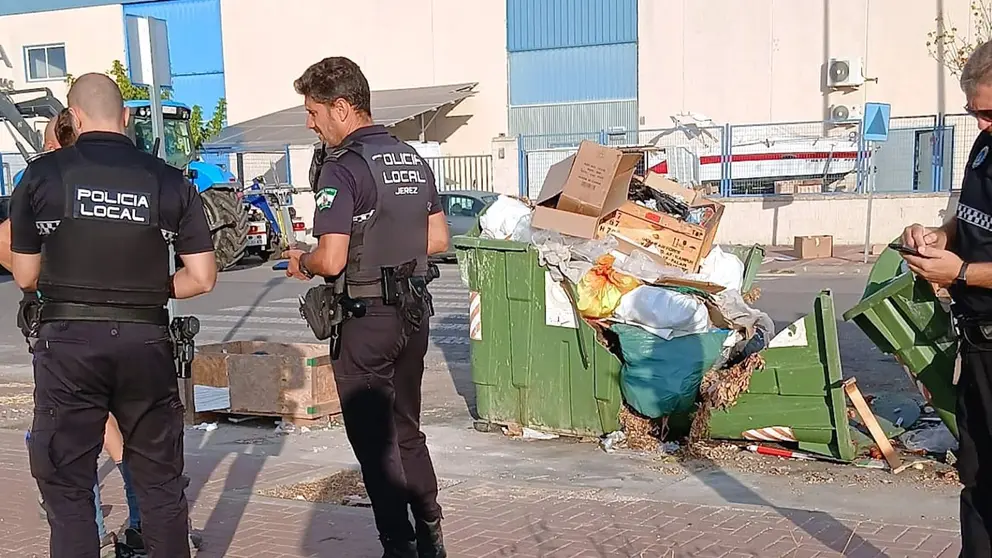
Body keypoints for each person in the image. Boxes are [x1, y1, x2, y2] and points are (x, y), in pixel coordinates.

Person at [8, 72, 217, 558]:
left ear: (74, 118)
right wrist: (148, 290)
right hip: (146, 340)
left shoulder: (41, 176)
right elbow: (203, 277)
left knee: (69, 486)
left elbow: (24, 275)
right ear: (125, 118)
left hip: (70, 344)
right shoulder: (169, 179)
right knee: (162, 487)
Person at [283, 56, 451, 558]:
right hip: (413, 314)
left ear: (340, 107)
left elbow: (332, 259)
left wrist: (303, 262)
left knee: (375, 446)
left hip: (365, 319)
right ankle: (431, 534)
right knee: (407, 432)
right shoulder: (410, 158)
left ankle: (397, 546)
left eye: (313, 113)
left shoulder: (343, 166)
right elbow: (439, 237)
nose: (310, 123)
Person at [2, 109, 145, 552]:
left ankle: (95, 528)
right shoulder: (117, 179)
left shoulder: (46, 182)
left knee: (65, 443)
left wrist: (48, 280)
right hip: (124, 335)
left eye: (47, 143)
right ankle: (137, 527)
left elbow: (8, 244)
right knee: (115, 431)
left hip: (66, 336)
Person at [900, 39, 992, 558]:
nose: (981, 123)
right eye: (973, 112)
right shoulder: (983, 149)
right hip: (977, 348)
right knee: (977, 480)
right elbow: (970, 223)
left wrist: (961, 272)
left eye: (990, 112)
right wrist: (939, 236)